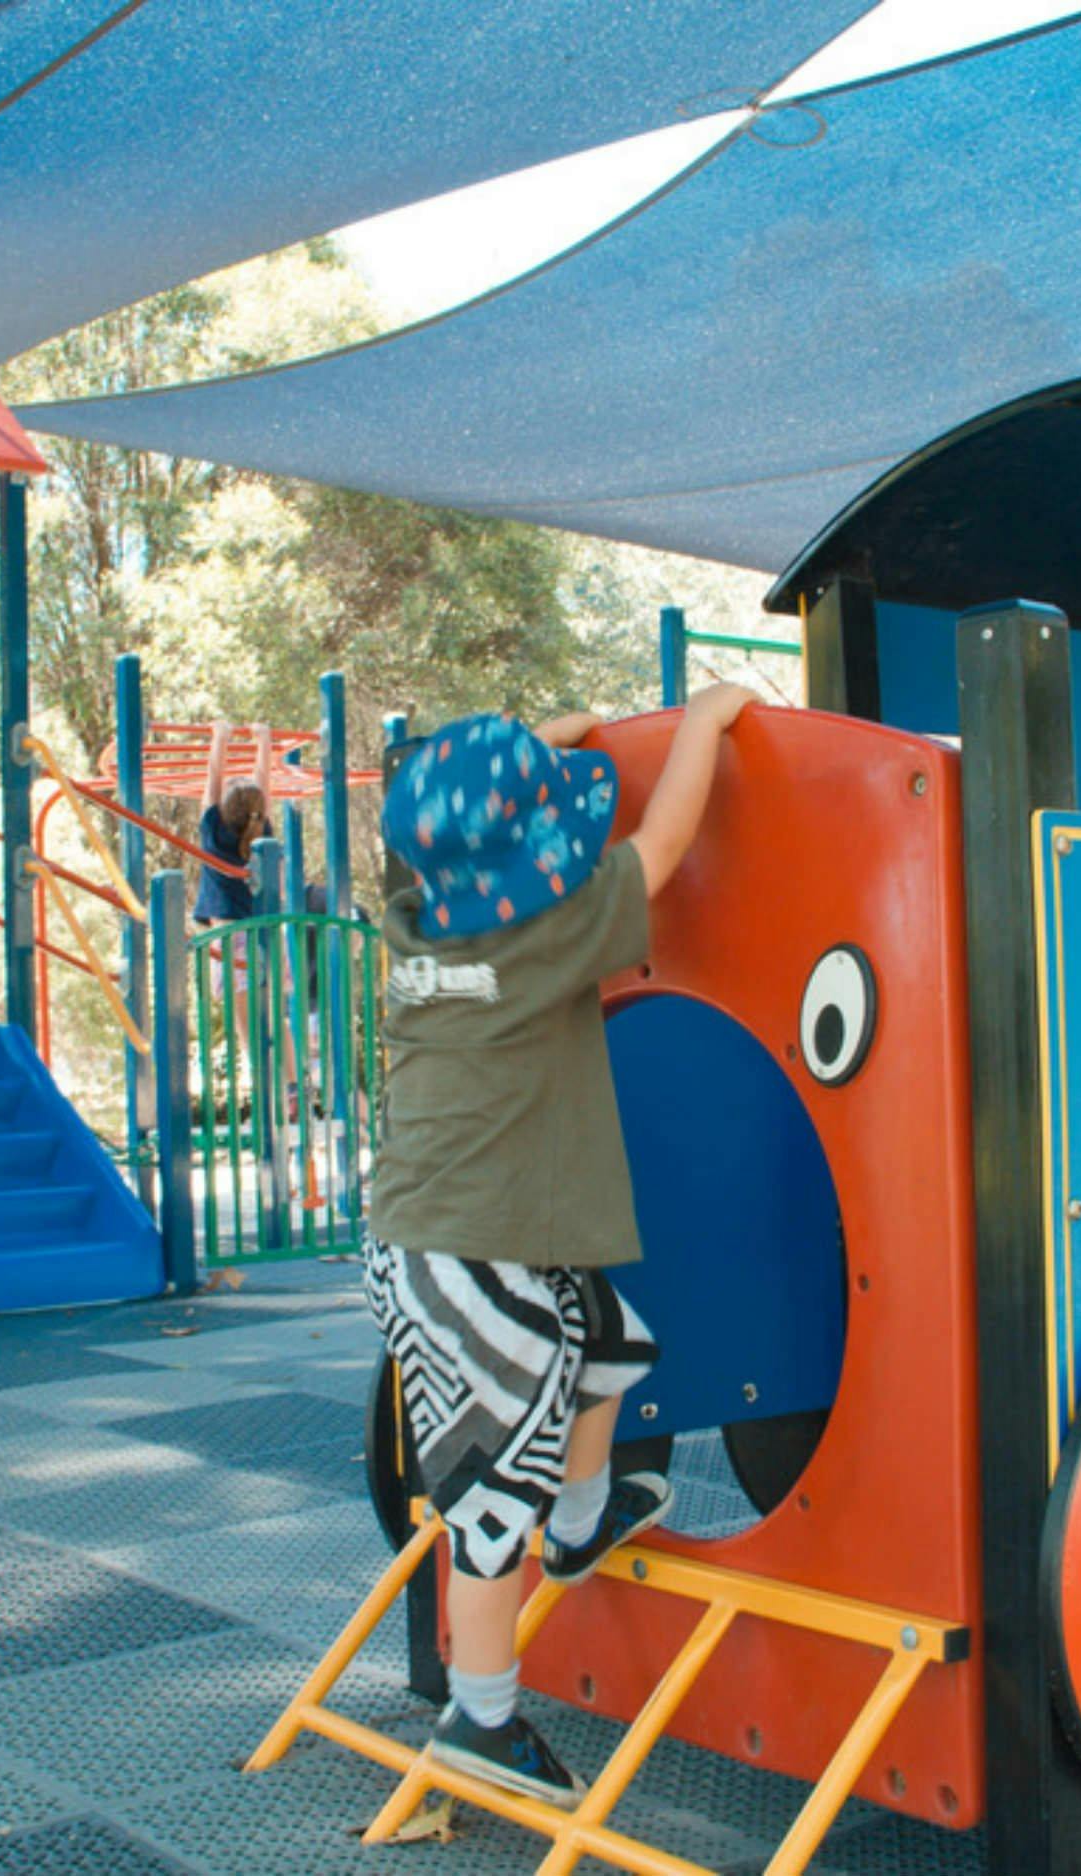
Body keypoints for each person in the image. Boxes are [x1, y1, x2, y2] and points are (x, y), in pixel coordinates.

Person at [363, 684, 753, 1805]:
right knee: (491, 1500)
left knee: (606, 1336)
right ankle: (481, 1718)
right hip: (470, 1260)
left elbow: (445, 828)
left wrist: (538, 748)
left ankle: (581, 1522)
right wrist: (702, 729)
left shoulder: (412, 919)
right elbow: (664, 841)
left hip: (439, 1241)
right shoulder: (547, 931)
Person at [193, 719, 272, 928]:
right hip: (259, 931)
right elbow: (263, 779)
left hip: (225, 931)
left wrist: (221, 736)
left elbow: (214, 776)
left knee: (229, 961)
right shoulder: (261, 831)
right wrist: (264, 740)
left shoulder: (215, 831)